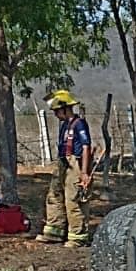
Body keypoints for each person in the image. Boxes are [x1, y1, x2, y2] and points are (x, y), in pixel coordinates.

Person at [37, 89, 93, 247]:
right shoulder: (64, 125)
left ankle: (78, 237)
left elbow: (86, 147)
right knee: (54, 195)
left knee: (73, 200)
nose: (55, 114)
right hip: (62, 162)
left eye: (57, 111)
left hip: (75, 163)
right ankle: (54, 231)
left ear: (65, 108)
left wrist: (84, 172)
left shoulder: (79, 124)